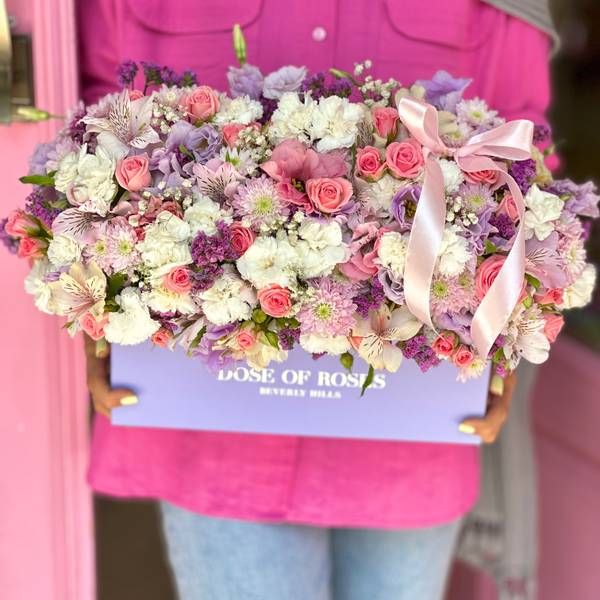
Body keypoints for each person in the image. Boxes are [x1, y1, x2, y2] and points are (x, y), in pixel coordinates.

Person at [79, 1, 553, 598]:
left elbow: (527, 152)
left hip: (408, 424)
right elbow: (93, 128)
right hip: (214, 430)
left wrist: (510, 328)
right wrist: (97, 309)